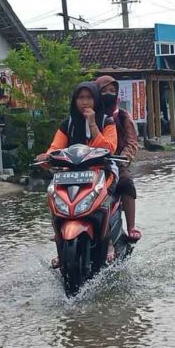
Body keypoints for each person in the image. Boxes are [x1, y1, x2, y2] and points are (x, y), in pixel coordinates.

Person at [36, 82, 118, 265]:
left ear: (96, 100)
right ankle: (60, 240)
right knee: (53, 196)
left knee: (107, 196)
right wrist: (47, 157)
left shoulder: (107, 121)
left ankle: (109, 239)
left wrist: (92, 124)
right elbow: (56, 147)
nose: (85, 102)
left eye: (89, 97)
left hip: (101, 170)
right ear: (75, 101)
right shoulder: (69, 124)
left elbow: (109, 149)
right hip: (71, 172)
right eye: (81, 98)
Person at [94, 75, 142, 242]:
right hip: (89, 164)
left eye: (112, 91)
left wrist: (124, 156)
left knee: (126, 183)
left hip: (115, 162)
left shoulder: (121, 116)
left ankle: (131, 227)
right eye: (104, 91)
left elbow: (131, 141)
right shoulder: (88, 115)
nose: (108, 94)